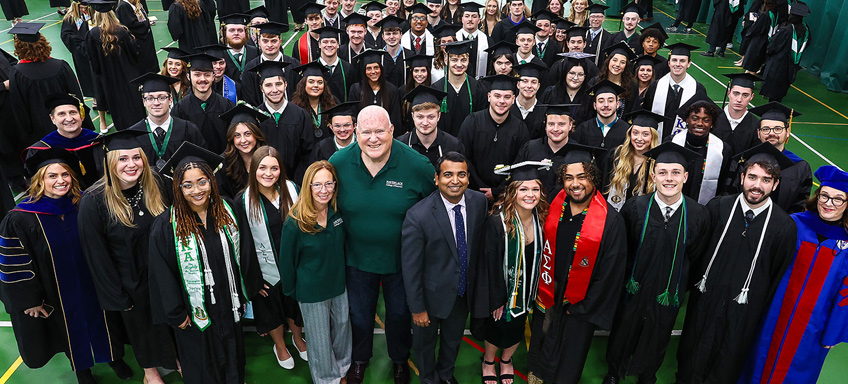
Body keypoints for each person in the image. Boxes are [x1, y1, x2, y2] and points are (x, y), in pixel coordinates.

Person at [0, 148, 129, 384]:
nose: (61, 181)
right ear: (39, 180)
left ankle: (113, 357)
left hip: (93, 280)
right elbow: (14, 261)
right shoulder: (21, 218)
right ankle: (82, 369)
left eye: (66, 175)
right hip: (56, 289)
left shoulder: (85, 204)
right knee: (69, 327)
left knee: (106, 319)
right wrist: (29, 300)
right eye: (52, 176)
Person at [329, 106, 436, 384]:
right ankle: (360, 359)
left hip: (402, 263)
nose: (373, 138)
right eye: (366, 132)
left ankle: (400, 360)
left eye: (380, 131)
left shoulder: (418, 166)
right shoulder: (337, 163)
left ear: (392, 131)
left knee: (399, 316)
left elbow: (433, 211)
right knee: (359, 316)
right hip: (356, 260)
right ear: (355, 132)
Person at [676, 144, 797, 384]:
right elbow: (698, 253)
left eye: (766, 180)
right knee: (693, 347)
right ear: (742, 177)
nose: (757, 185)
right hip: (707, 298)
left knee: (729, 355)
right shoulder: (719, 207)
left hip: (744, 307)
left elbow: (776, 274)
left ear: (775, 184)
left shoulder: (783, 227)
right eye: (752, 177)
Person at [148, 142, 261, 384]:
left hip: (228, 306)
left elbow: (245, 253)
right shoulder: (167, 225)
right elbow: (161, 274)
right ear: (177, 187)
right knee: (202, 367)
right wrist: (176, 313)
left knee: (233, 360)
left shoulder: (228, 209)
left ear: (212, 181)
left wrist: (245, 291)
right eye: (187, 185)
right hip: (194, 315)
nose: (196, 190)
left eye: (202, 181)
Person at [603, 142, 710, 384]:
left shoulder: (698, 214)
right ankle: (614, 372)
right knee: (624, 329)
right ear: (653, 176)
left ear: (685, 176)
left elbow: (697, 255)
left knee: (659, 332)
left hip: (668, 289)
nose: (669, 178)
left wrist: (680, 284)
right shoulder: (635, 207)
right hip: (635, 285)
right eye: (662, 172)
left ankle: (647, 373)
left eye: (675, 173)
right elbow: (623, 249)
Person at [78, 130, 177, 384]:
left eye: (136, 157)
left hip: (165, 273)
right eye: (122, 159)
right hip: (130, 282)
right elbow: (96, 256)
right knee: (142, 328)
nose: (131, 165)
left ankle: (175, 359)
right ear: (110, 162)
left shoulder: (156, 183)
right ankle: (150, 372)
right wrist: (116, 296)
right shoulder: (95, 200)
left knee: (172, 319)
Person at [525, 143, 627, 384]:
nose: (575, 184)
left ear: (593, 177)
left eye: (582, 177)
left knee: (570, 349)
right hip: (550, 287)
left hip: (581, 300)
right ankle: (536, 373)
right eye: (568, 178)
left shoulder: (610, 221)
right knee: (543, 333)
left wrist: (585, 305)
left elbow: (611, 272)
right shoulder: (553, 207)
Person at [740, 165, 848, 384]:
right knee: (758, 361)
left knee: (797, 371)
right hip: (772, 314)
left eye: (838, 199)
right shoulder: (794, 224)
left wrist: (833, 333)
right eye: (824, 196)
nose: (829, 203)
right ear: (817, 196)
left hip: (814, 327)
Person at [402, 151, 488, 384]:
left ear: (468, 178)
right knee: (424, 346)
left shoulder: (479, 203)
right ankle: (429, 379)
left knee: (453, 341)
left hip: (461, 294)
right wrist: (417, 308)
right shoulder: (417, 216)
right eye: (448, 174)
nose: (455, 180)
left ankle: (446, 375)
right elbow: (411, 268)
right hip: (429, 299)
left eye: (461, 174)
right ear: (436, 178)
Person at [279, 160, 351, 384]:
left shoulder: (337, 214)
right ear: (307, 187)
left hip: (338, 285)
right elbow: (287, 262)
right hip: (312, 292)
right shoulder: (295, 222)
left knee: (342, 329)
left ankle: (342, 371)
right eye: (317, 185)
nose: (324, 190)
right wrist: (294, 293)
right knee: (319, 341)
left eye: (329, 184)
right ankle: (326, 380)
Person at [236, 146, 307, 370]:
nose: (268, 173)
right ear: (253, 169)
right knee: (271, 310)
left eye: (274, 168)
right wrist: (253, 279)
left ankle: (297, 338)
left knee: (294, 307)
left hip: (294, 266)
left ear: (281, 169)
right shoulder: (242, 201)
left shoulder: (293, 189)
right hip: (265, 271)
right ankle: (280, 345)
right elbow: (241, 245)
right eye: (262, 168)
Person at [479, 161, 549, 384]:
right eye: (524, 189)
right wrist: (497, 299)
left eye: (535, 189)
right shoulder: (497, 222)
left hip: (530, 290)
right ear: (512, 192)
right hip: (503, 291)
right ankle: (489, 361)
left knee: (518, 327)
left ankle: (506, 359)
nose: (530, 194)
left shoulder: (542, 220)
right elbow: (489, 264)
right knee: (497, 327)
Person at [9, 23, 88, 149]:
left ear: (19, 48)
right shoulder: (61, 66)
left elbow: (19, 107)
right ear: (43, 42)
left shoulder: (17, 73)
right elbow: (76, 96)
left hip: (40, 132)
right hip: (67, 126)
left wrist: (26, 134)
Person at [459, 75, 529, 202]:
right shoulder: (472, 122)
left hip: (506, 196)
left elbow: (519, 165)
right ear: (489, 97)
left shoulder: (520, 128)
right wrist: (480, 187)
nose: (502, 101)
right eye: (497, 96)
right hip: (471, 193)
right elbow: (463, 157)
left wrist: (498, 191)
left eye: (507, 97)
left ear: (513, 99)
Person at [85, 2, 146, 132]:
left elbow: (93, 61)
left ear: (97, 14)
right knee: (134, 103)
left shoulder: (93, 34)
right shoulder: (122, 31)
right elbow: (134, 54)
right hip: (128, 75)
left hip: (109, 79)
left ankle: (123, 132)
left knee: (117, 106)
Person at [127, 73, 207, 171]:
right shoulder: (133, 134)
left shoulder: (188, 129)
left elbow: (202, 162)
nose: (156, 103)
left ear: (170, 100)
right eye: (150, 98)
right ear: (144, 102)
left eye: (161, 97)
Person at [250, 61, 314, 179]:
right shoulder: (255, 117)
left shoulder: (301, 115)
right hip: (265, 179)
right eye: (268, 85)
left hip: (296, 182)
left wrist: (297, 182)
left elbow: (308, 153)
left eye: (278, 84)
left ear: (285, 84)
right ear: (261, 88)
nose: (274, 90)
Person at [26, 94, 103, 189]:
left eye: (73, 112)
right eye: (61, 114)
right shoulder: (41, 149)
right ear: (52, 118)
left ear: (81, 115)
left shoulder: (99, 141)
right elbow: (35, 184)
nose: (69, 118)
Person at [746, 102, 811, 214]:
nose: (772, 133)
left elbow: (800, 205)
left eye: (778, 129)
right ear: (758, 133)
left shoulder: (800, 167)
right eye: (766, 129)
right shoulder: (746, 160)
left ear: (787, 132)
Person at [670, 96, 733, 205]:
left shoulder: (722, 150)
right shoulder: (672, 143)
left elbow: (724, 185)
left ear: (712, 123)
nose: (700, 123)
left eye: (706, 120)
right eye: (695, 118)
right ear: (687, 120)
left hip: (704, 210)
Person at [640, 43, 707, 139]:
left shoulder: (698, 89)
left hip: (683, 142)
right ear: (669, 63)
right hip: (656, 140)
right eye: (674, 60)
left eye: (682, 61)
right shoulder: (655, 86)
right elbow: (647, 113)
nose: (678, 64)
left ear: (689, 64)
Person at [601, 110, 663, 211]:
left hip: (640, 219)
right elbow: (603, 185)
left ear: (653, 137)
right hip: (613, 215)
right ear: (630, 134)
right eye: (635, 133)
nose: (639, 138)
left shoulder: (657, 162)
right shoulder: (616, 155)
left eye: (645, 134)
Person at [513, 104, 576, 197]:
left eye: (561, 124)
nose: (555, 129)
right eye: (551, 124)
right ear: (545, 125)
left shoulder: (576, 153)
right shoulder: (530, 148)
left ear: (570, 125)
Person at [397, 87, 464, 169]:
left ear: (438, 116)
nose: (425, 123)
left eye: (431, 117)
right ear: (413, 116)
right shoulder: (400, 145)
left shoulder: (454, 146)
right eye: (420, 117)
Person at [432, 40, 489, 137]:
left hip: (471, 144)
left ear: (468, 60)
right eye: (454, 60)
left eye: (463, 60)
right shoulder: (436, 89)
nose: (459, 65)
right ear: (446, 60)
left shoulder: (478, 89)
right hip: (444, 144)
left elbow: (483, 122)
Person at [240, 21, 300, 107]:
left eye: (274, 41)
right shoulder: (250, 68)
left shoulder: (294, 65)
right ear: (259, 42)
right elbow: (249, 98)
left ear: (280, 42)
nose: (269, 45)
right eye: (265, 41)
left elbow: (299, 94)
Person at [760, 2, 811, 102]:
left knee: (773, 87)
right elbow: (807, 43)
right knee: (782, 87)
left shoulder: (786, 29)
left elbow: (773, 46)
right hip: (791, 64)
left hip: (778, 63)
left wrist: (769, 53)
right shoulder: (805, 30)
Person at [218, 103, 270, 198]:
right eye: (237, 135)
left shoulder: (269, 157)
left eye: (247, 134)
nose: (243, 140)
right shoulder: (224, 164)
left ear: (256, 134)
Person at [349, 50, 404, 135]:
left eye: (376, 67)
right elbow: (353, 115)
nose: (373, 72)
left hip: (385, 134)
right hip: (364, 135)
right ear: (364, 71)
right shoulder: (356, 89)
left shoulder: (391, 90)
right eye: (369, 69)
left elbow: (396, 118)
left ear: (381, 69)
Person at [709, 73, 764, 156]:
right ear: (729, 93)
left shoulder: (756, 126)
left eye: (745, 95)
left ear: (751, 97)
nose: (739, 99)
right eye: (736, 93)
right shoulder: (712, 119)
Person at [572, 80, 630, 149]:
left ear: (618, 104)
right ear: (595, 105)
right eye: (601, 101)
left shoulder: (627, 131)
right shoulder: (583, 129)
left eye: (610, 101)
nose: (606, 105)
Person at [291, 62, 337, 144]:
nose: (316, 85)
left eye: (320, 82)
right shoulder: (295, 107)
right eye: (311, 82)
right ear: (303, 84)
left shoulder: (332, 103)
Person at [60, 1, 96, 98]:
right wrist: (81, 41)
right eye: (81, 8)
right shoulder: (70, 18)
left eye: (85, 8)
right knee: (87, 75)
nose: (83, 10)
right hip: (80, 51)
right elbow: (65, 35)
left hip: (94, 49)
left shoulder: (92, 14)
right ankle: (95, 98)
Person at [539, 56, 590, 123]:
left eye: (580, 74)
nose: (575, 78)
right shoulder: (551, 93)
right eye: (572, 73)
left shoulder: (590, 96)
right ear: (565, 73)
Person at [593, 42, 638, 117]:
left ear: (625, 67)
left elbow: (632, 110)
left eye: (622, 62)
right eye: (614, 60)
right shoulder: (595, 82)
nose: (617, 64)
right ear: (608, 62)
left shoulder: (632, 86)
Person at [314, 27, 355, 104]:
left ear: (338, 44)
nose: (329, 45)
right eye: (325, 42)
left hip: (342, 114)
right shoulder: (312, 68)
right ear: (319, 44)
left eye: (333, 42)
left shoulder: (348, 69)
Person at [116, 0, 158, 74]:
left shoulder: (135, 4)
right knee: (144, 65)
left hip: (145, 39)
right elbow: (131, 25)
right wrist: (146, 23)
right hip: (138, 41)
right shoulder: (124, 6)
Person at [511, 62, 548, 139]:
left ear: (538, 86)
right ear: (518, 84)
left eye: (533, 82)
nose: (529, 86)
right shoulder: (507, 108)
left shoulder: (545, 112)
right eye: (525, 81)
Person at [220, 13, 259, 83]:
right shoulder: (220, 55)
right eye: (232, 30)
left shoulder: (256, 52)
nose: (236, 33)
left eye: (240, 30)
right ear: (224, 33)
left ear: (246, 32)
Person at [455, 2, 490, 79]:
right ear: (462, 19)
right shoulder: (454, 38)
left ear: (479, 20)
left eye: (474, 16)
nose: (470, 19)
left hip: (480, 84)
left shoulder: (487, 40)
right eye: (467, 16)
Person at [378, 15, 414, 88]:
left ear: (401, 35)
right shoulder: (378, 56)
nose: (391, 37)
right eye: (388, 34)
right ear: (383, 36)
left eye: (395, 33)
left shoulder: (409, 55)